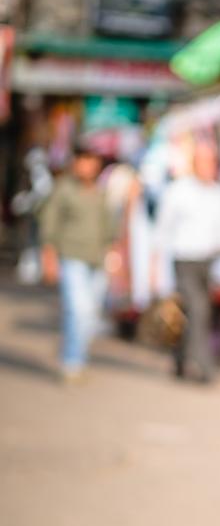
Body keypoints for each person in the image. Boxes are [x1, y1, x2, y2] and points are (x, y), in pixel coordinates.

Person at [154, 140, 220, 383]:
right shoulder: (178, 191)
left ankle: (180, 358)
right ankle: (204, 365)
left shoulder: (217, 194)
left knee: (194, 311)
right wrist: (155, 268)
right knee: (198, 309)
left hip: (207, 261)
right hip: (184, 260)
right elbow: (162, 231)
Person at [39, 141, 118, 380]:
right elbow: (49, 224)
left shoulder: (102, 192)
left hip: (97, 258)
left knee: (91, 313)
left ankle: (75, 352)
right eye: (84, 159)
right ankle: (72, 361)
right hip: (72, 256)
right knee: (78, 309)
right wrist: (49, 257)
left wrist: (114, 256)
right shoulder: (64, 189)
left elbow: (109, 228)